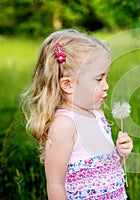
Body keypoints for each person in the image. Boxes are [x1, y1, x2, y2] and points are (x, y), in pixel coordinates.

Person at [21, 29, 133, 199]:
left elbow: (104, 168)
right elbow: (55, 183)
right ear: (68, 85)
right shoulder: (65, 125)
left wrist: (120, 153)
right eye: (99, 79)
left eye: (106, 78)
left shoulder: (97, 114)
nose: (106, 86)